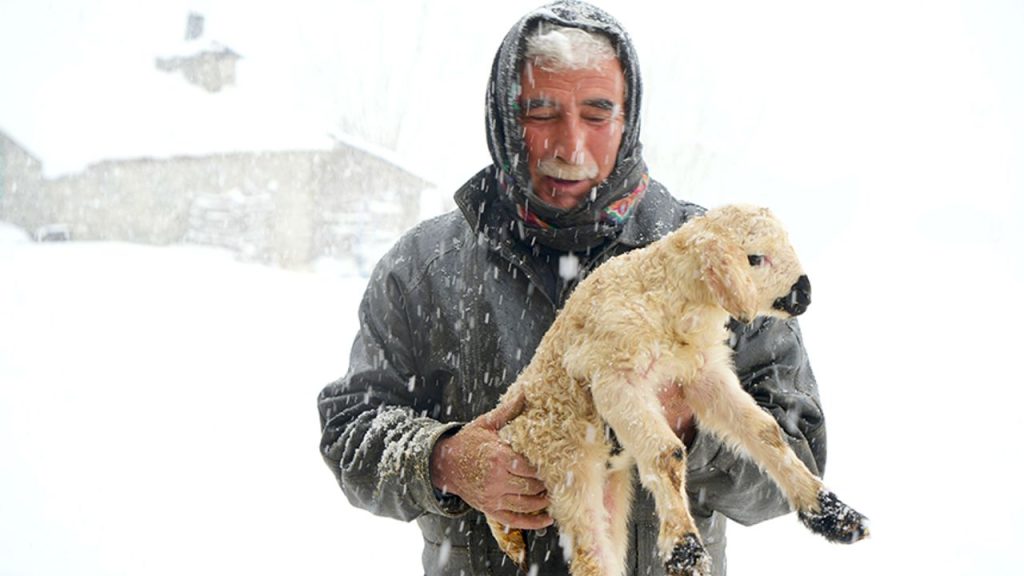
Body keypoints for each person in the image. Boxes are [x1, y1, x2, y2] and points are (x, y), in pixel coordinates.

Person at [317, 2, 826, 575]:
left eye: (597, 113)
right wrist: (441, 460)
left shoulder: (721, 257)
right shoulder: (425, 268)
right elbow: (349, 429)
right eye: (542, 112)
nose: (571, 146)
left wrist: (690, 422)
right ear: (504, 117)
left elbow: (801, 452)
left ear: (629, 119)